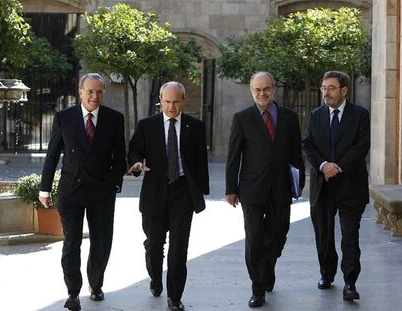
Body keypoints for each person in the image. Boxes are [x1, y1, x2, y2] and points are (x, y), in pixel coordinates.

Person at [38, 73, 127, 311]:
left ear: (103, 94)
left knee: (101, 242)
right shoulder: (64, 118)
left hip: (101, 192)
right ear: (80, 92)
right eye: (90, 91)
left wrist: (114, 183)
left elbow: (120, 157)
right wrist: (45, 188)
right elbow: (53, 155)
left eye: (99, 92)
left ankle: (96, 285)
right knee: (71, 242)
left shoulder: (114, 119)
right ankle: (73, 292)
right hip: (71, 190)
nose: (94, 96)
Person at [225, 72, 305, 308]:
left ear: (273, 89)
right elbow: (233, 156)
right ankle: (257, 287)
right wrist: (231, 188)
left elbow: (295, 154)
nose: (262, 94)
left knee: (279, 233)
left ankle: (267, 267)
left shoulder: (289, 118)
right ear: (251, 91)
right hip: (251, 189)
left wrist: (298, 184)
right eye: (257, 90)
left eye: (266, 89)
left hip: (281, 188)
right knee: (254, 237)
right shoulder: (242, 118)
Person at [128, 81, 209, 311]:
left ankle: (175, 297)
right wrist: (135, 164)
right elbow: (134, 150)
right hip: (155, 191)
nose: (171, 107)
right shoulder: (147, 125)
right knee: (154, 245)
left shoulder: (196, 127)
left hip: (182, 191)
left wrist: (200, 191)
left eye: (175, 102)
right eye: (167, 102)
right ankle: (155, 277)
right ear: (160, 101)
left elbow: (200, 163)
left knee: (179, 248)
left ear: (183, 101)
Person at [302, 71, 370, 301]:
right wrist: (323, 166)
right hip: (323, 185)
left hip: (351, 185)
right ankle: (326, 274)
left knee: (350, 236)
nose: (326, 93)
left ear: (344, 90)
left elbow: (361, 147)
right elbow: (308, 145)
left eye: (331, 88)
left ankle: (350, 282)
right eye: (323, 88)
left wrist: (337, 166)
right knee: (324, 235)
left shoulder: (360, 115)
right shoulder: (316, 115)